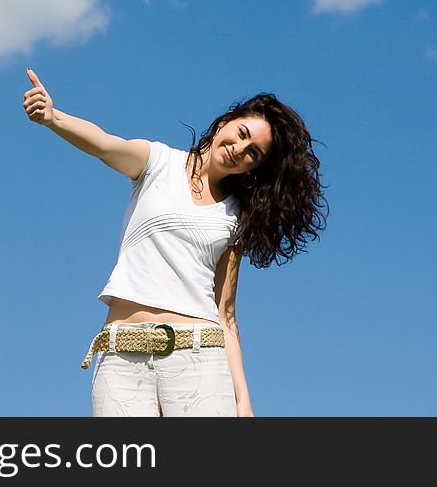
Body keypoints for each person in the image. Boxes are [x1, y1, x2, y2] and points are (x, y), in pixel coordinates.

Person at [22, 67, 328, 417]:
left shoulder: (236, 217)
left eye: (253, 152)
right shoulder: (158, 162)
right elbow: (105, 144)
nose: (239, 148)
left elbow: (226, 314)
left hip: (200, 359)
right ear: (227, 120)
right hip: (122, 357)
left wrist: (243, 400)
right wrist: (52, 117)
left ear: (252, 169)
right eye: (241, 133)